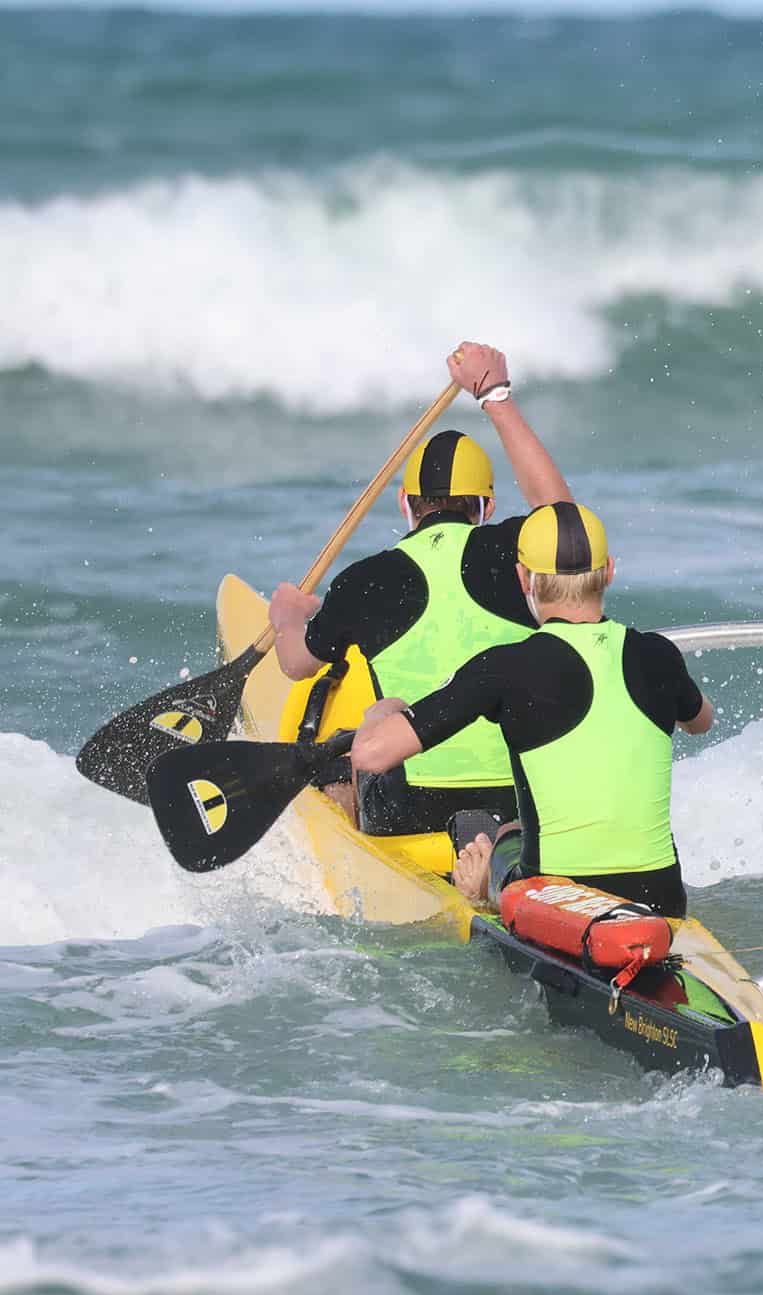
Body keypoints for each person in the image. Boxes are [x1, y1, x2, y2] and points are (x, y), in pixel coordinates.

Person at [349, 501, 715, 917]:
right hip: (662, 898)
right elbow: (701, 721)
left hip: (556, 903)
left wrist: (379, 713)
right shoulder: (658, 655)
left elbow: (371, 754)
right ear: (610, 571)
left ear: (524, 578)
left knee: (506, 833)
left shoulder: (503, 667)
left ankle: (482, 888)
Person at [268, 341, 573, 833]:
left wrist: (288, 618)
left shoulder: (364, 580)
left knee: (340, 748)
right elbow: (562, 516)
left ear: (405, 503)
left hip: (412, 809)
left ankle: (351, 857)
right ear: (487, 508)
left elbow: (297, 663)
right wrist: (496, 395)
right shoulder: (518, 557)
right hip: (523, 801)